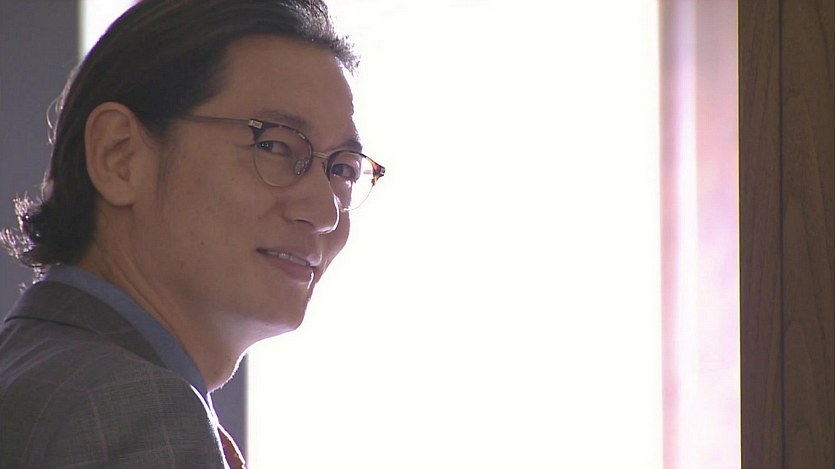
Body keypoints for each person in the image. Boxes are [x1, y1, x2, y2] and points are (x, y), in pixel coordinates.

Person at [0, 0, 384, 466]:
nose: (325, 213)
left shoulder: (37, 374)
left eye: (342, 169)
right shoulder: (131, 407)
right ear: (120, 155)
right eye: (275, 146)